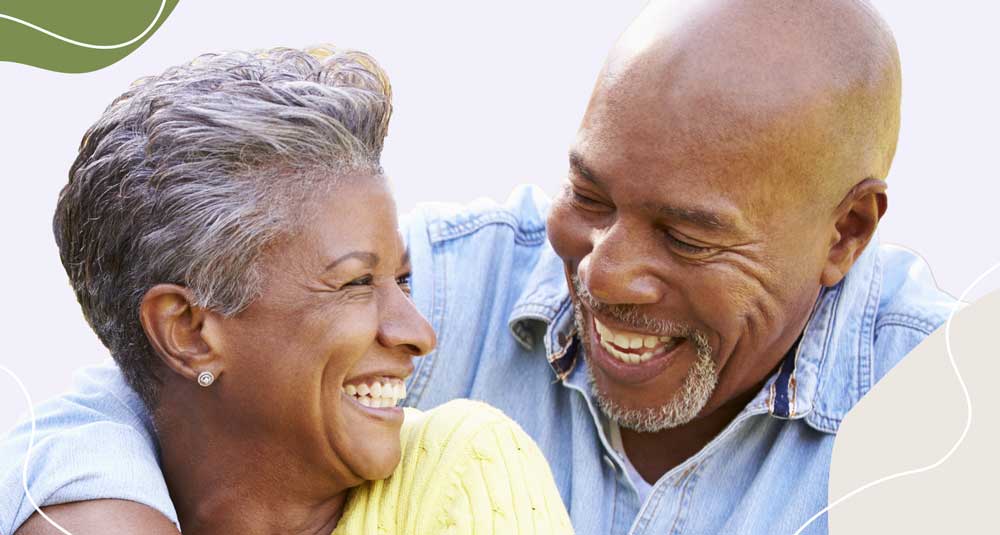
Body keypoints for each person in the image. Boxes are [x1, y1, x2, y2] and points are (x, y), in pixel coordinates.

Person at [2, 0, 956, 533]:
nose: (608, 273)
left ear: (847, 231)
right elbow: (160, 362)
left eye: (688, 235)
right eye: (590, 194)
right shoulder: (464, 278)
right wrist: (103, 509)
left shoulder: (951, 426)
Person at [0, 46, 572, 535]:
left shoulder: (463, 468)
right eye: (355, 282)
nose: (419, 333)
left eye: (401, 279)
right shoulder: (89, 477)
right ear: (187, 331)